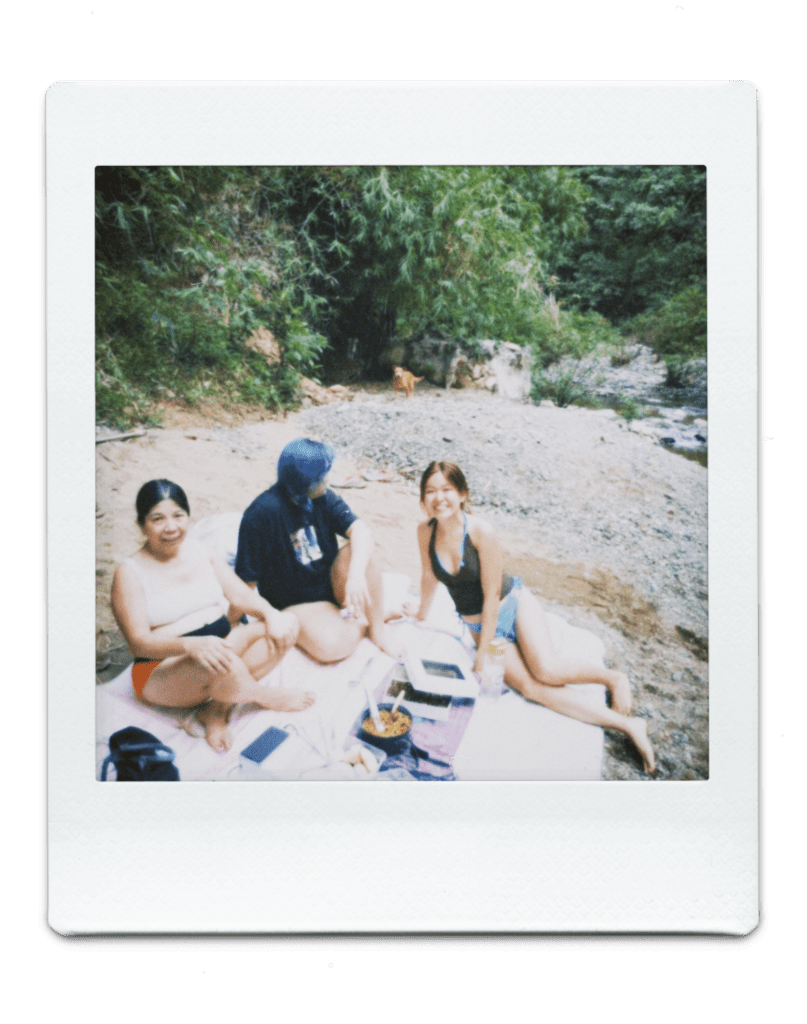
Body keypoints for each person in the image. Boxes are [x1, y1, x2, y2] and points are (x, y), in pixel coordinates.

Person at [408, 461, 655, 774]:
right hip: (477, 624)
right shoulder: (425, 532)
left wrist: (482, 655)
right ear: (422, 498)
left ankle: (612, 678)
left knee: (547, 670)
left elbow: (492, 595)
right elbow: (428, 576)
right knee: (530, 688)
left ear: (462, 494)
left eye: (446, 489)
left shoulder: (481, 532)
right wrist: (420, 613)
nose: (439, 497)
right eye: (430, 491)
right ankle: (628, 725)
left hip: (512, 604)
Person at [111, 479, 315, 754]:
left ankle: (215, 710)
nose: (171, 527)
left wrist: (270, 613)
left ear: (188, 517)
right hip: (162, 669)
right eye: (157, 519)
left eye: (178, 516)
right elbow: (138, 643)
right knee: (223, 663)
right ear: (142, 524)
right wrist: (190, 646)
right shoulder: (129, 572)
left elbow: (240, 594)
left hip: (220, 645)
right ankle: (264, 697)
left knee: (286, 625)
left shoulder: (200, 550)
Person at [235, 438, 402, 663]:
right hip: (296, 603)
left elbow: (361, 531)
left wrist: (355, 576)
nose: (328, 480)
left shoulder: (323, 497)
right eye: (322, 476)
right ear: (304, 481)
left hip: (331, 585)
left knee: (362, 555)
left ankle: (378, 630)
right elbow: (246, 581)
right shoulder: (261, 514)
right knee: (331, 648)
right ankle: (367, 622)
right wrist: (232, 623)